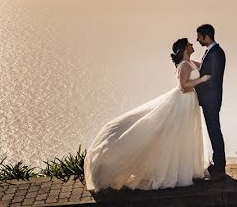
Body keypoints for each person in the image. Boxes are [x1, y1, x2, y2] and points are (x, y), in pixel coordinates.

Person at [83, 38, 211, 192]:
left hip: (190, 103)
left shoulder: (190, 62)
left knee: (186, 135)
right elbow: (183, 86)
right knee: (176, 134)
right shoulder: (183, 65)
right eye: (189, 44)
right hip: (183, 102)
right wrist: (202, 80)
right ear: (184, 48)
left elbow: (204, 66)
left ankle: (187, 169)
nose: (192, 45)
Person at [195, 23, 227, 179]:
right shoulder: (212, 52)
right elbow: (206, 70)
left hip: (211, 100)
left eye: (199, 37)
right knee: (214, 131)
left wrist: (195, 85)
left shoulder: (216, 53)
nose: (197, 40)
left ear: (206, 36)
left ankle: (219, 167)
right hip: (210, 99)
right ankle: (218, 164)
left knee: (214, 132)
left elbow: (211, 80)